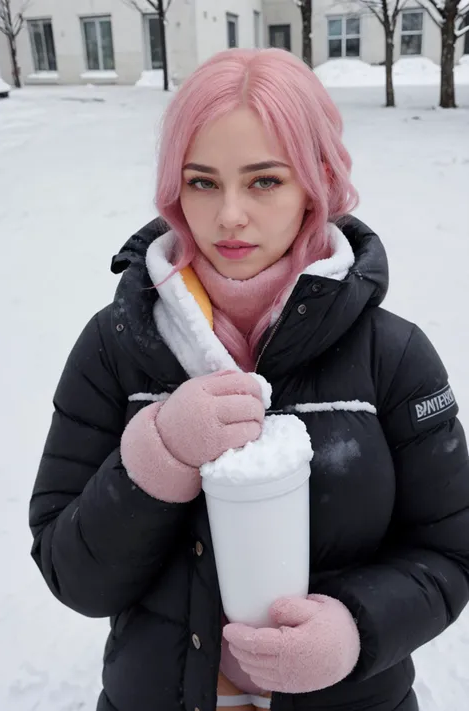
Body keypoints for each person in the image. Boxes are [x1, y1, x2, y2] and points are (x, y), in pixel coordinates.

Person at [29, 47, 469, 711]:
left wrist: (354, 629)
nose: (230, 215)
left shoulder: (393, 356)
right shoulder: (118, 346)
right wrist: (158, 455)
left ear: (316, 182)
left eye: (264, 180)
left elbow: (451, 554)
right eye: (203, 181)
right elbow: (73, 574)